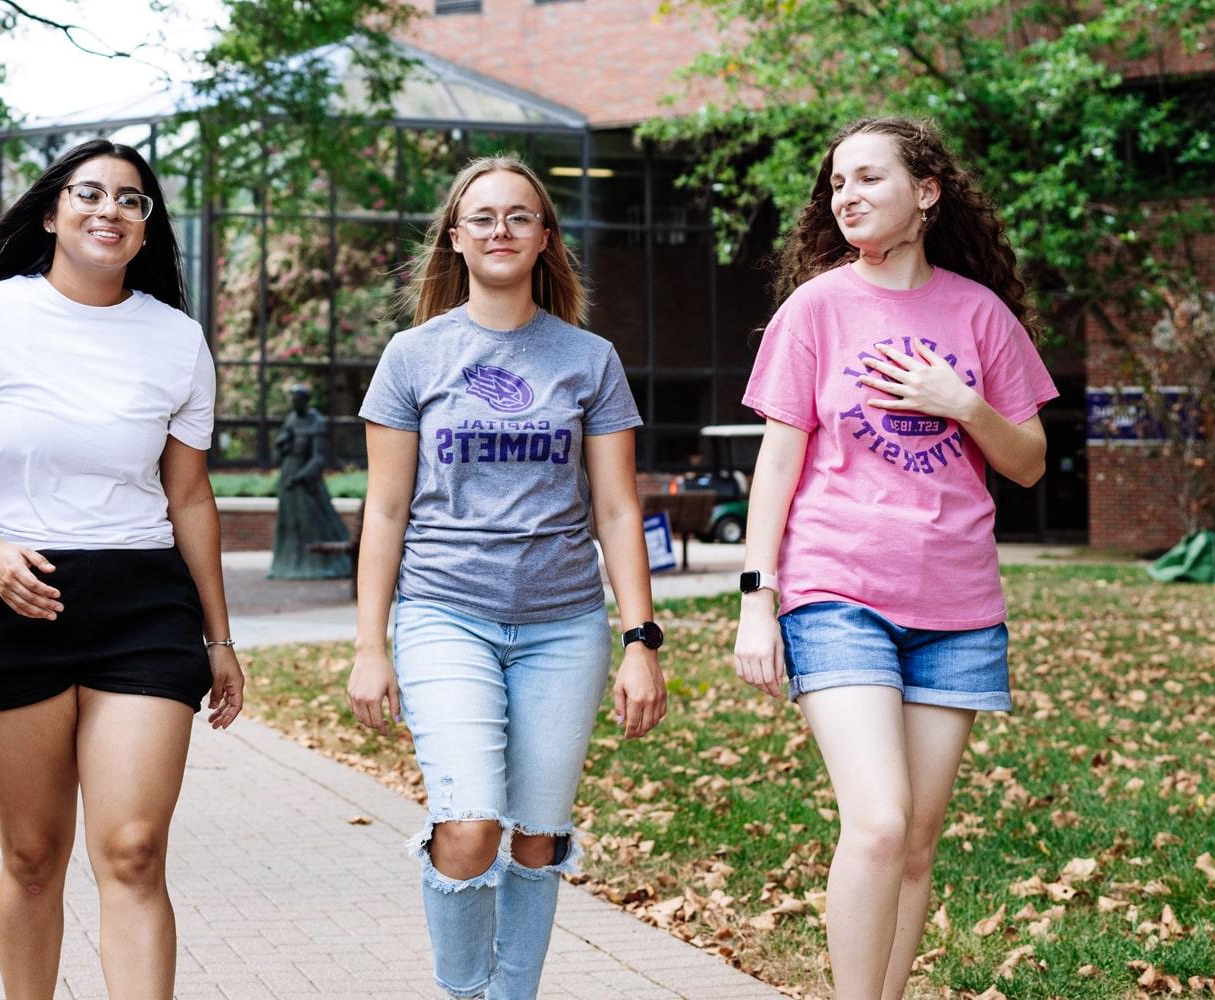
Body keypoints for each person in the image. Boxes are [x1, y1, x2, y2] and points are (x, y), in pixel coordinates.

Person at [0, 137, 245, 1000]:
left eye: (131, 200)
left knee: (133, 850)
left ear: (145, 228)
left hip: (142, 602)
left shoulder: (177, 340)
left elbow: (192, 497)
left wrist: (220, 638)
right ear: (53, 212)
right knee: (31, 854)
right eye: (89, 193)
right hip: (15, 593)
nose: (110, 210)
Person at [732, 116, 1057, 1000]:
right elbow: (779, 462)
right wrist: (756, 598)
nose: (847, 197)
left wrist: (962, 402)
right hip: (839, 590)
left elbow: (1026, 462)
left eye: (869, 179)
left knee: (915, 842)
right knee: (876, 821)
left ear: (926, 192)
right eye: (837, 184)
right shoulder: (816, 310)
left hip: (956, 605)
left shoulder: (978, 315)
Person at [346, 156, 668, 1000]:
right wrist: (367, 646)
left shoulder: (588, 358)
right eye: (482, 217)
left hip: (564, 625)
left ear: (543, 238)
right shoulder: (413, 357)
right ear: (456, 237)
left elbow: (616, 511)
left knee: (536, 834)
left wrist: (641, 639)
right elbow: (384, 513)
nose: (500, 231)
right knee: (469, 824)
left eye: (519, 217)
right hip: (446, 614)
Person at [268, 382, 353, 579]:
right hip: (288, 476)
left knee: (312, 524)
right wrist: (281, 443)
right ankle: (285, 564)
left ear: (305, 401)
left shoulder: (316, 422)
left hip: (305, 481)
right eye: (292, 399)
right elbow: (277, 453)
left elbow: (319, 458)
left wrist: (301, 477)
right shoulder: (290, 420)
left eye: (297, 399)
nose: (293, 403)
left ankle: (316, 564)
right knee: (288, 524)